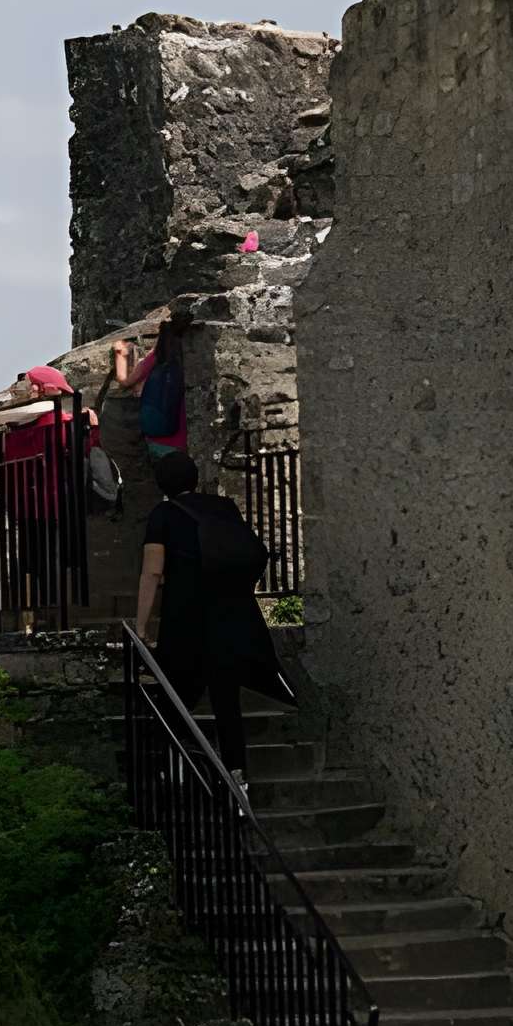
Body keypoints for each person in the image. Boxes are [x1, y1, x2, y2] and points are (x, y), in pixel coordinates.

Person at [134, 451, 291, 784]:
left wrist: (141, 626)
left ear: (162, 483)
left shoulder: (163, 514)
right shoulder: (224, 508)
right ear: (194, 478)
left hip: (186, 620)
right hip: (233, 618)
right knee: (226, 703)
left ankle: (172, 771)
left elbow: (152, 572)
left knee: (172, 699)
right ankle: (237, 777)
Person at [0, 365, 87, 629]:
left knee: (29, 564)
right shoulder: (62, 424)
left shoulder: (13, 430)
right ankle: (53, 619)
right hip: (53, 502)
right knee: (53, 563)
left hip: (22, 505)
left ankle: (28, 618)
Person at [113, 311, 191, 461]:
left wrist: (120, 354)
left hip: (158, 439)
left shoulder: (157, 356)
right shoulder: (187, 354)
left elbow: (125, 381)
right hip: (183, 438)